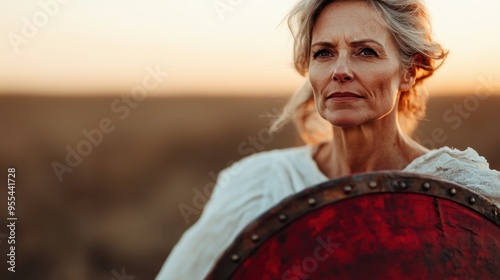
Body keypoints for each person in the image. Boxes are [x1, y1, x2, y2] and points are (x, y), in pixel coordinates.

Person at [156, 0, 500, 279]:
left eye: (365, 52)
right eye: (324, 53)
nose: (340, 70)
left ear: (409, 72)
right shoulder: (257, 185)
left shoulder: (459, 192)